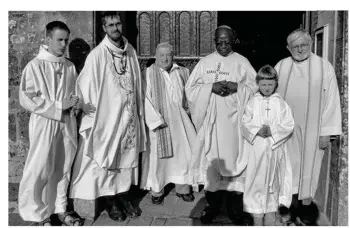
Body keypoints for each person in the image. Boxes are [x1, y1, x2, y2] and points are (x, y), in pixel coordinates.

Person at [69, 11, 146, 221]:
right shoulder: (97, 55)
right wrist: (83, 107)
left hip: (128, 118)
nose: (115, 28)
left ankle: (123, 197)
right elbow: (85, 85)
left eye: (118, 23)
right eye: (110, 25)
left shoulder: (130, 50)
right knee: (109, 160)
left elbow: (138, 83)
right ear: (104, 28)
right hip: (109, 119)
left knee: (126, 160)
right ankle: (111, 202)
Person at [185, 25, 258, 224]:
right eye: (219, 42)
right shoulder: (205, 62)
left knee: (235, 165)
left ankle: (235, 209)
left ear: (233, 39)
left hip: (235, 127)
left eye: (227, 42)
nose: (223, 46)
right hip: (212, 123)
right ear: (214, 41)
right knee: (211, 163)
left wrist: (238, 87)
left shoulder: (241, 62)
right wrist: (211, 87)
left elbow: (256, 88)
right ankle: (213, 206)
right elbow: (190, 89)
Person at [18, 21, 83, 226]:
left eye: (66, 40)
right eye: (59, 39)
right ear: (47, 39)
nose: (64, 44)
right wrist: (57, 105)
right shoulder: (35, 66)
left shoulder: (69, 66)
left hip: (66, 122)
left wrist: (74, 104)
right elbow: (27, 98)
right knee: (40, 167)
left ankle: (60, 209)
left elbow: (74, 92)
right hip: (45, 122)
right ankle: (37, 214)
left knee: (63, 166)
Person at [274, 28, 342, 225]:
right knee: (287, 170)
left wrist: (326, 133)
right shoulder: (282, 66)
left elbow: (331, 101)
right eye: (295, 46)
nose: (300, 49)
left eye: (303, 45)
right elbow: (268, 93)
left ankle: (305, 212)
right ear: (288, 48)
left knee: (308, 170)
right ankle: (288, 209)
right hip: (286, 131)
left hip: (313, 131)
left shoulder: (323, 67)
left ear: (310, 44)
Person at [140, 42, 197, 205]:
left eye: (168, 55)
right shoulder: (148, 74)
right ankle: (157, 190)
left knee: (184, 155)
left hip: (181, 122)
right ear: (156, 56)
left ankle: (183, 188)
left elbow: (192, 95)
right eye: (161, 55)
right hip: (159, 122)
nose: (165, 58)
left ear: (173, 55)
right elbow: (145, 99)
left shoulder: (183, 72)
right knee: (158, 159)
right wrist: (155, 121)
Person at [241, 65, 294, 226]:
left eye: (270, 84)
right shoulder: (252, 102)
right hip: (257, 149)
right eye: (263, 84)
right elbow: (245, 121)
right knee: (256, 180)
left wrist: (273, 130)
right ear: (258, 83)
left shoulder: (281, 103)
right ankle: (257, 216)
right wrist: (257, 130)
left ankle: (271, 215)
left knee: (274, 180)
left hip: (274, 149)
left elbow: (289, 124)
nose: (267, 88)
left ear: (276, 84)